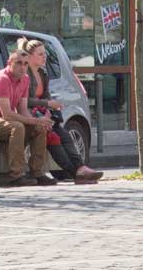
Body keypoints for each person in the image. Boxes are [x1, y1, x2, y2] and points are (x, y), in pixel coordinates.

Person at [16, 38, 103, 184]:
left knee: (65, 135)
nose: (45, 57)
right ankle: (75, 173)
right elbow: (25, 101)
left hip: (43, 114)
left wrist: (49, 110)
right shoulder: (25, 76)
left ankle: (80, 167)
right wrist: (47, 103)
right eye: (40, 54)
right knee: (53, 138)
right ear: (30, 56)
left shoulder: (43, 73)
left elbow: (46, 95)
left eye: (45, 53)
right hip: (30, 115)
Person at [0, 43, 52, 186]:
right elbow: (7, 114)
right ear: (9, 63)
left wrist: (39, 121)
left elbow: (23, 111)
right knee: (18, 127)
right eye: (19, 63)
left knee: (40, 128)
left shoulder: (25, 79)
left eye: (26, 64)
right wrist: (34, 121)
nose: (23, 67)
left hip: (2, 120)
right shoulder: (2, 79)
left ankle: (37, 172)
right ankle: (16, 175)